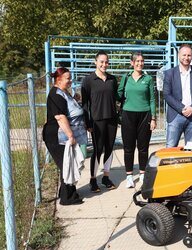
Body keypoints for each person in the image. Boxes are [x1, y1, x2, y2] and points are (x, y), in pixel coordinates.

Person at [43, 67, 86, 205]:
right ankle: (67, 198)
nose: (70, 80)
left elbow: (67, 109)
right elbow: (60, 117)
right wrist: (70, 135)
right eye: (68, 78)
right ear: (58, 79)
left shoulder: (63, 92)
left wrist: (75, 100)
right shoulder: (55, 95)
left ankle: (68, 191)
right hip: (57, 137)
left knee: (69, 163)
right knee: (66, 165)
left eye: (70, 78)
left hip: (63, 137)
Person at [117, 52, 156, 188]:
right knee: (128, 148)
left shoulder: (148, 79)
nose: (140, 63)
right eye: (137, 61)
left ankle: (142, 174)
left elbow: (152, 99)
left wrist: (153, 118)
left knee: (143, 147)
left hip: (144, 115)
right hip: (128, 115)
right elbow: (118, 94)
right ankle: (129, 176)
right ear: (132, 63)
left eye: (142, 61)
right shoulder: (126, 78)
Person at [81, 50, 118, 192]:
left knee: (109, 148)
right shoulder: (88, 80)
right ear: (95, 62)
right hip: (97, 120)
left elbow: (117, 98)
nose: (104, 64)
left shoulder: (112, 79)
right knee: (98, 150)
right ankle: (93, 179)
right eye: (101, 61)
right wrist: (88, 122)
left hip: (112, 120)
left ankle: (106, 177)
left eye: (106, 62)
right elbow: (85, 104)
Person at [163, 44, 192, 147]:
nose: (186, 58)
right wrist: (182, 108)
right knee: (171, 147)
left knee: (191, 149)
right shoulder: (170, 73)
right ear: (178, 55)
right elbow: (167, 94)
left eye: (189, 55)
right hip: (175, 115)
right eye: (184, 55)